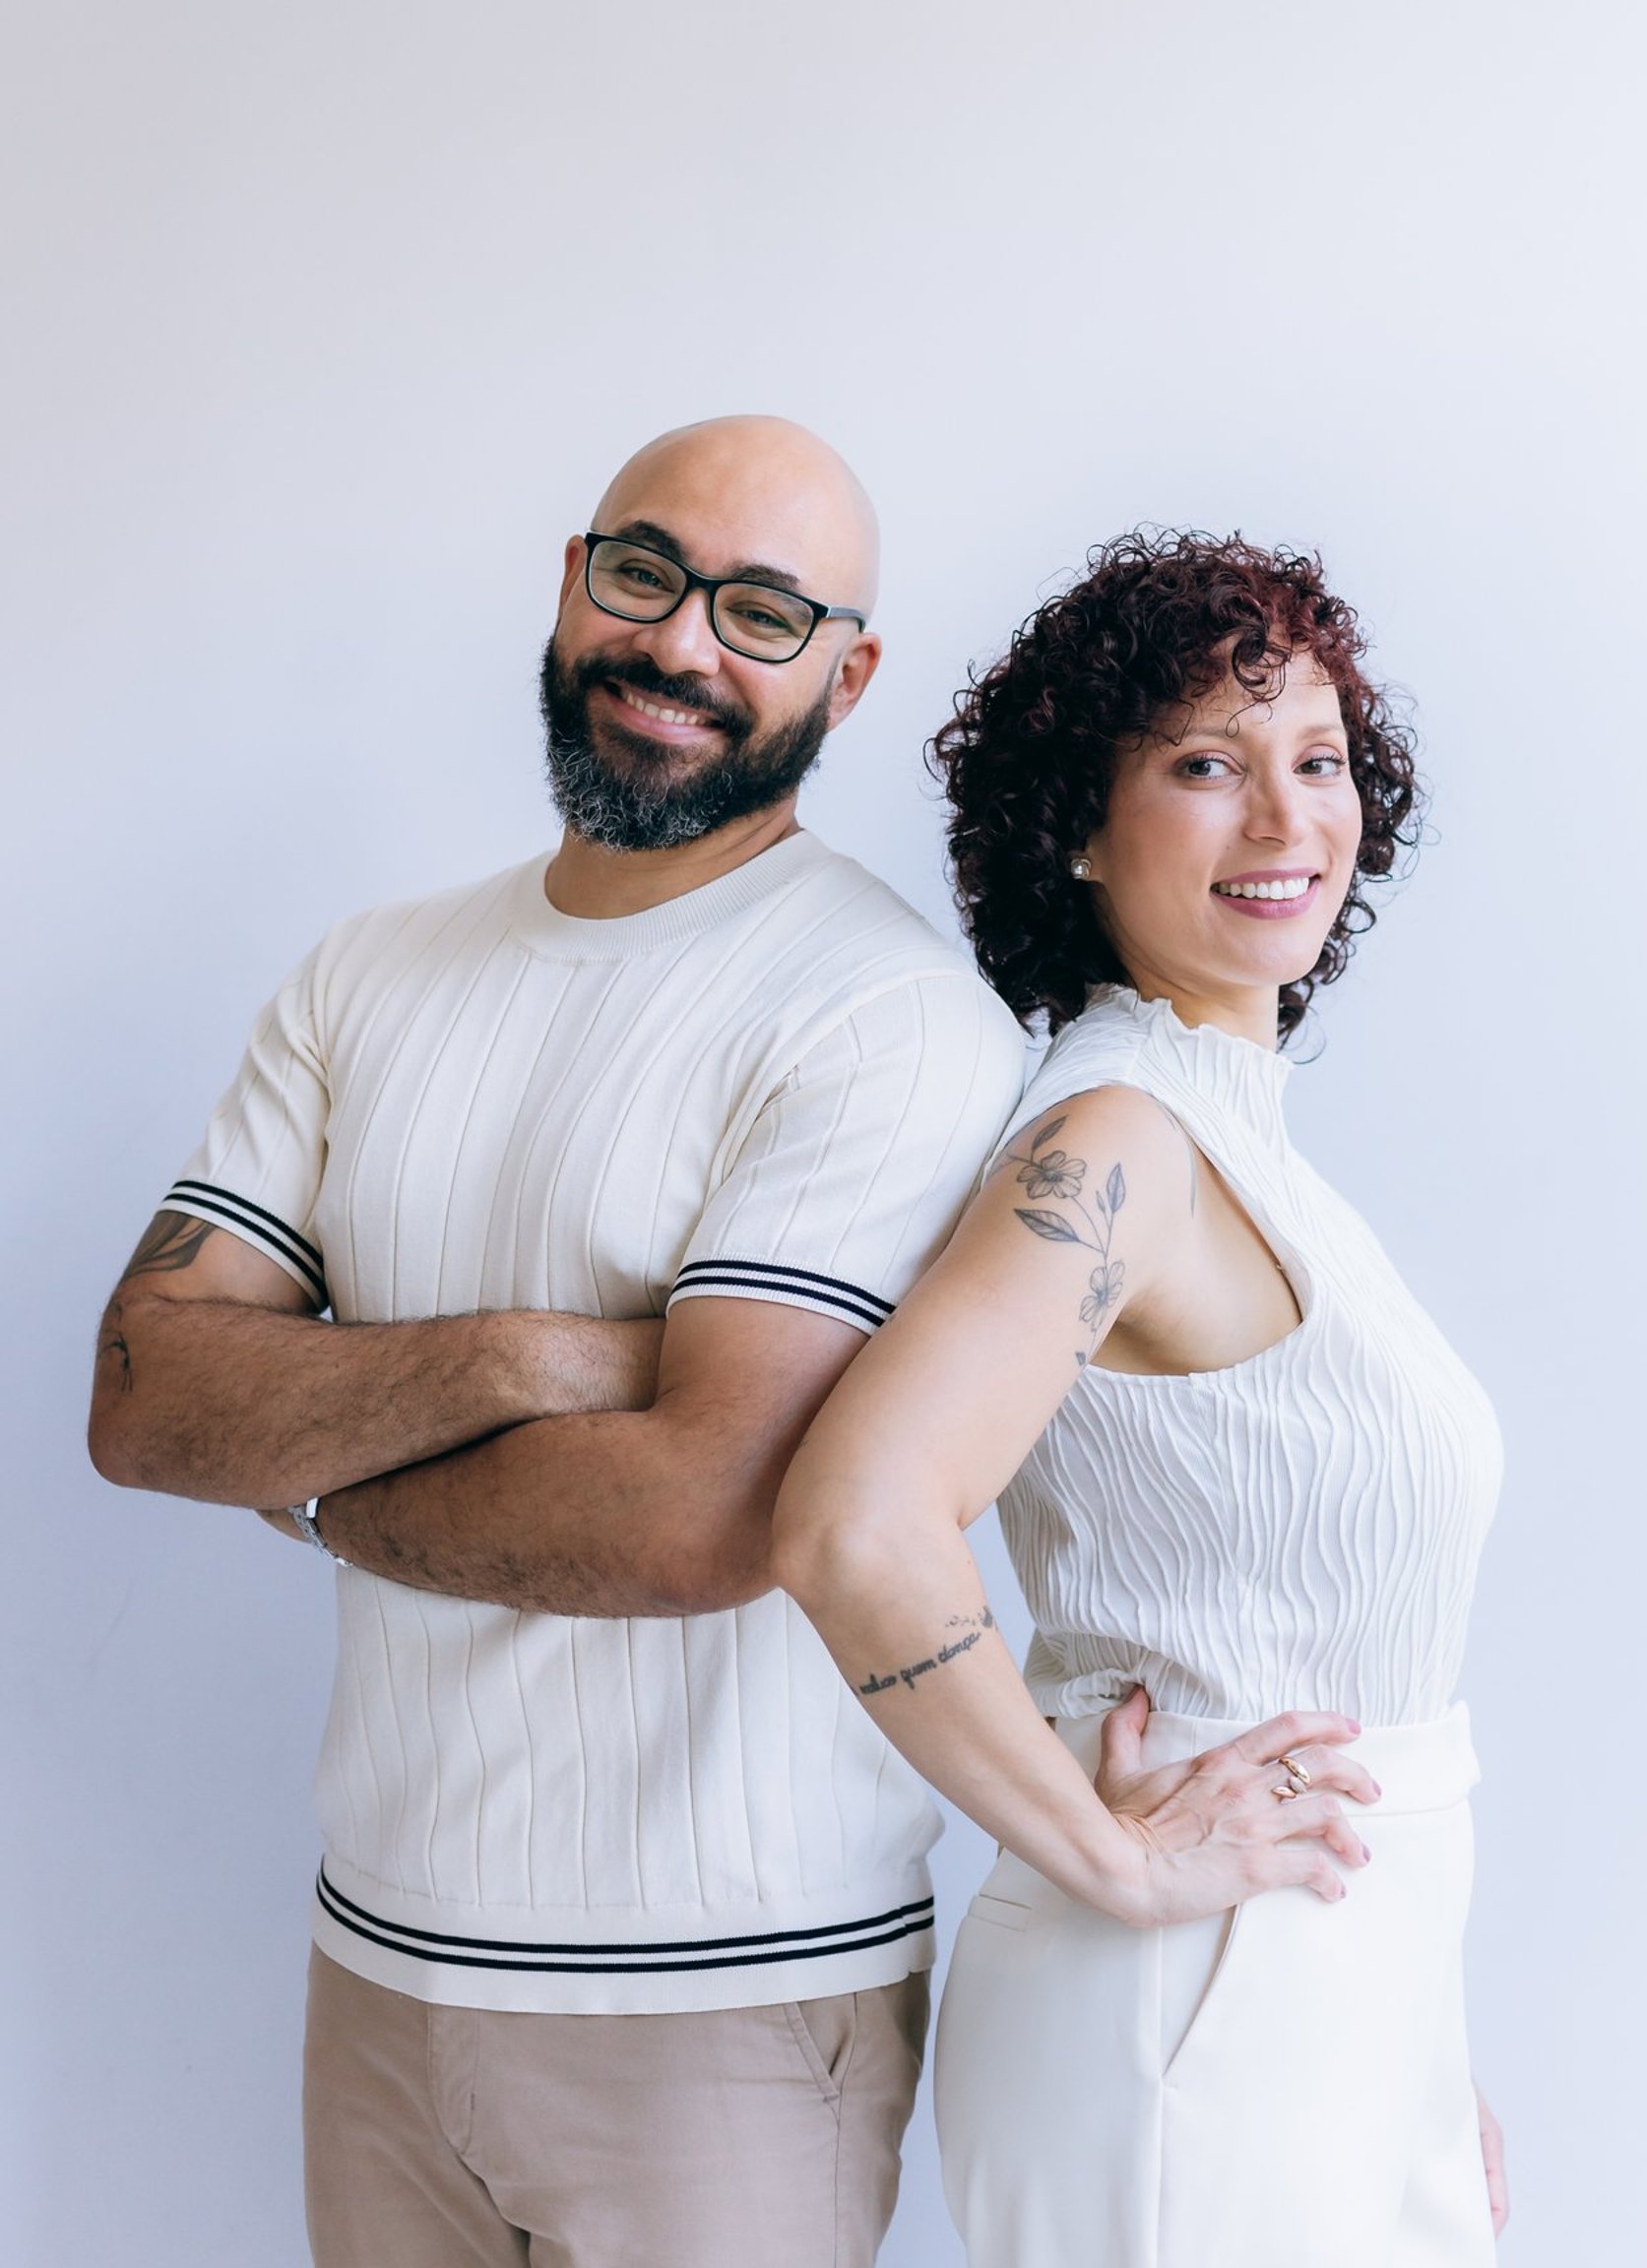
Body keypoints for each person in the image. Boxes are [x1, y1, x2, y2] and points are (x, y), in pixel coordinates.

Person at [89, 414, 1045, 2268]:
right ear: (571, 581)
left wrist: (308, 1483)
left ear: (847, 676)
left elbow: (702, 1521)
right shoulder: (368, 972)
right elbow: (143, 1396)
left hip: (723, 2010)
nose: (679, 642)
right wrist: (532, 1359)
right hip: (377, 1963)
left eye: (762, 611)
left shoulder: (885, 1015)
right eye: (644, 572)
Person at [775, 529, 1510, 2266]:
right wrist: (1116, 1866)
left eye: (1316, 759)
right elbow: (856, 1524)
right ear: (1081, 829)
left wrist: (1416, 2042)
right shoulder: (1120, 1140)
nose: (1286, 820)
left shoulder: (1233, 1135)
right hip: (1195, 1994)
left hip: (1324, 1981)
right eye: (1204, 765)